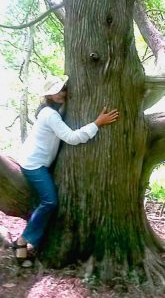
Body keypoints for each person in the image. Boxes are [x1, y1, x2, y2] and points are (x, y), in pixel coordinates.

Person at [13, 75, 119, 265]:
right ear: (49, 96)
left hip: (39, 161)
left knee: (45, 200)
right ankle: (23, 240)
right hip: (33, 164)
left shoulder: (54, 110)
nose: (62, 93)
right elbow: (71, 137)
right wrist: (97, 123)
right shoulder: (50, 114)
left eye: (62, 89)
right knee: (50, 201)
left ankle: (27, 243)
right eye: (57, 91)